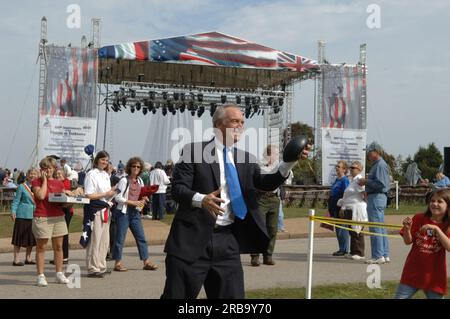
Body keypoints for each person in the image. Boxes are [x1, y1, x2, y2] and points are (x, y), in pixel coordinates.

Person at [161, 103, 311, 299]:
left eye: (242, 122)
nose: (240, 125)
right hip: (191, 241)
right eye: (234, 121)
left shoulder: (246, 159)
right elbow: (178, 189)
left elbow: (266, 183)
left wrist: (289, 161)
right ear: (218, 125)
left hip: (228, 242)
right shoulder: (193, 151)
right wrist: (201, 199)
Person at [395, 189, 450, 299]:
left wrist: (436, 229)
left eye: (440, 201)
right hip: (412, 271)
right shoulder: (419, 218)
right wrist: (407, 229)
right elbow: (407, 241)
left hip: (434, 275)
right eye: (432, 200)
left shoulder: (447, 225)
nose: (434, 204)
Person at [112, 157, 158, 272]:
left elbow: (141, 194)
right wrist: (133, 202)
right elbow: (117, 197)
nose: (136, 168)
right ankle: (117, 263)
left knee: (141, 238)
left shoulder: (140, 181)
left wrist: (144, 199)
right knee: (120, 238)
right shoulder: (123, 180)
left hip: (135, 212)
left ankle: (146, 262)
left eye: (138, 167)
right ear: (129, 167)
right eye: (134, 166)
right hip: (123, 212)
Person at [31, 157, 70, 287]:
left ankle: (59, 273)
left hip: (58, 216)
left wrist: (68, 201)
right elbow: (41, 196)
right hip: (42, 217)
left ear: (54, 169)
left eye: (50, 168)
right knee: (41, 247)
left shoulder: (59, 183)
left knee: (58, 247)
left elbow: (63, 201)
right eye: (45, 168)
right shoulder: (36, 181)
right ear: (41, 169)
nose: (48, 170)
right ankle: (40, 275)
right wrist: (45, 181)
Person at [83, 151, 117, 278]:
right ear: (97, 160)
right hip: (95, 209)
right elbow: (89, 194)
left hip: (106, 208)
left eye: (107, 160)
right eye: (103, 160)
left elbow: (107, 193)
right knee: (95, 239)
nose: (105, 162)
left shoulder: (105, 175)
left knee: (104, 240)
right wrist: (106, 194)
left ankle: (101, 265)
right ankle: (92, 267)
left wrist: (113, 192)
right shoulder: (91, 174)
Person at [359, 142, 391, 264]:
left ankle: (378, 255)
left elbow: (381, 184)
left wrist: (366, 181)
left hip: (377, 197)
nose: (367, 154)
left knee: (376, 227)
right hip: (377, 198)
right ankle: (384, 254)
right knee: (380, 227)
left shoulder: (380, 165)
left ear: (376, 152)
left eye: (369, 151)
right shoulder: (378, 165)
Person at [250, 144, 281, 266]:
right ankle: (255, 256)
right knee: (258, 228)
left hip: (274, 199)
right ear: (269, 154)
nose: (277, 156)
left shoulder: (279, 166)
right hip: (260, 198)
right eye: (276, 153)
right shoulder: (258, 165)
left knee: (272, 229)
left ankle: (268, 255)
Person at [337, 161, 367, 260]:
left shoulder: (359, 179)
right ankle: (353, 251)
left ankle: (359, 253)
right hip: (350, 209)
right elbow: (347, 196)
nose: (351, 169)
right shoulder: (353, 180)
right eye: (350, 167)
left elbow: (364, 192)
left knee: (357, 231)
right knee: (352, 231)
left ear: (359, 170)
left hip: (357, 209)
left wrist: (366, 202)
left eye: (353, 168)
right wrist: (343, 207)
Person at [10, 168, 38, 266]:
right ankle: (16, 259)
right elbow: (16, 201)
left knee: (31, 238)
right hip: (22, 215)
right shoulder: (22, 187)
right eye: (31, 173)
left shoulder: (37, 187)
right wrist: (13, 211)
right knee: (18, 238)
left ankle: (28, 258)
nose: (33, 175)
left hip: (33, 215)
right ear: (27, 175)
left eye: (35, 174)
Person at [328, 160, 350, 256]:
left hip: (341, 207)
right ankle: (341, 248)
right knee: (338, 229)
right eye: (336, 166)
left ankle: (344, 249)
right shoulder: (337, 179)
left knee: (342, 229)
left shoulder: (345, 180)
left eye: (339, 166)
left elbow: (346, 194)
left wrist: (343, 208)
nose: (336, 167)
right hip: (334, 207)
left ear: (344, 169)